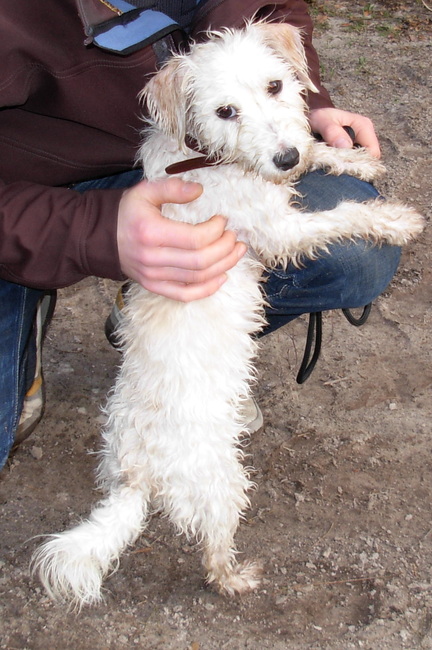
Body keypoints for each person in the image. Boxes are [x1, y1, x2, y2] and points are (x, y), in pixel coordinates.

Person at [0, 0, 400, 470]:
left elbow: (274, 11)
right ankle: (32, 280)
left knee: (357, 254)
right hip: (19, 190)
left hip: (199, 154)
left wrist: (303, 103)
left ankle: (174, 331)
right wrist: (90, 232)